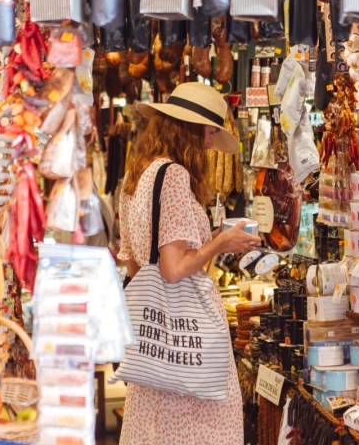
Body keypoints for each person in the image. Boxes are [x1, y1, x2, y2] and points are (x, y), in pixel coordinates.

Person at [117, 82, 260, 445]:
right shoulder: (175, 176)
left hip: (154, 341)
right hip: (190, 341)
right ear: (191, 129)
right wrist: (221, 241)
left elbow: (136, 266)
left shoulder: (135, 179)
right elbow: (173, 268)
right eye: (210, 132)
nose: (211, 143)